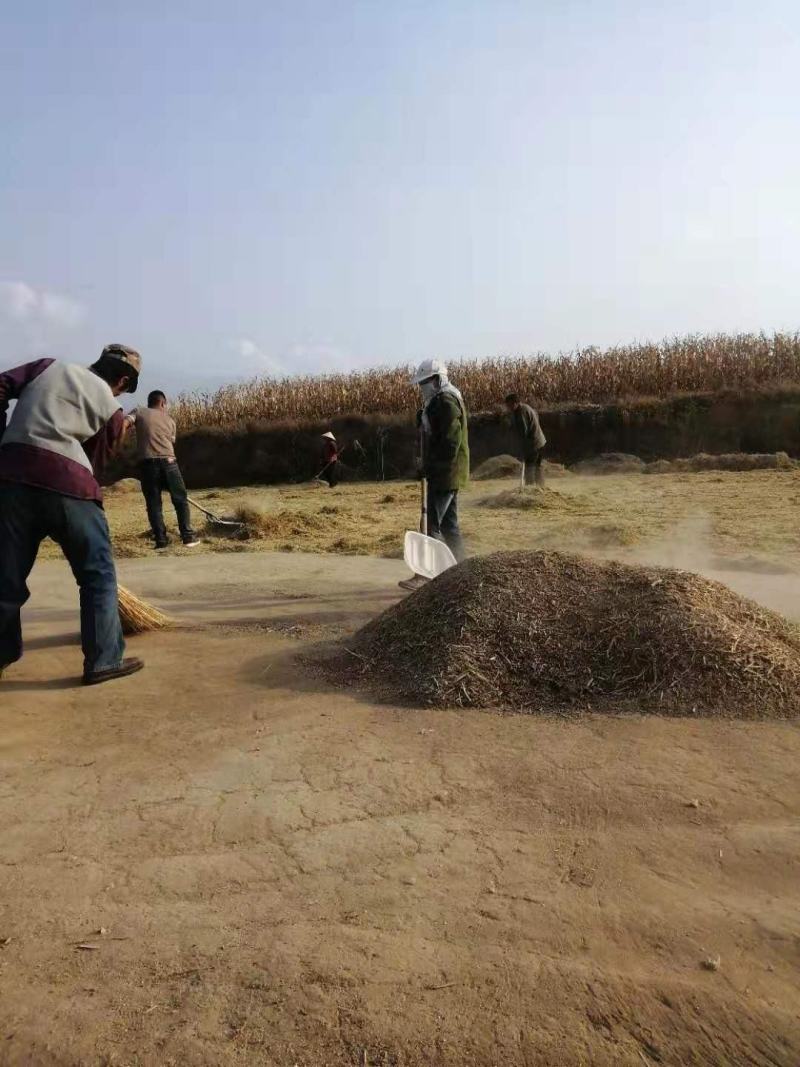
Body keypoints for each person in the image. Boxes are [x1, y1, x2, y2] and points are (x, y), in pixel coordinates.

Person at [0, 344, 145, 685]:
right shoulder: (112, 409)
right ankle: (104, 661)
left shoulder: (47, 367)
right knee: (97, 574)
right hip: (70, 483)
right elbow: (96, 464)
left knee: (5, 578)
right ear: (122, 381)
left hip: (10, 476)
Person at [411, 357, 469, 560]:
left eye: (424, 383)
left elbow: (450, 442)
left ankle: (428, 575)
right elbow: (435, 433)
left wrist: (431, 467)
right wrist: (424, 418)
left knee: (430, 525)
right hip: (446, 472)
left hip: (446, 473)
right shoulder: (437, 402)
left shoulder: (445, 401)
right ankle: (463, 571)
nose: (421, 388)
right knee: (449, 526)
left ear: (436, 379)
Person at [128, 391, 199, 549]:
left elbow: (125, 422)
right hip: (169, 463)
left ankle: (161, 540)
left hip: (148, 464)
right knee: (180, 500)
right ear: (162, 403)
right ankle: (188, 537)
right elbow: (170, 441)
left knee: (154, 504)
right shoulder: (170, 420)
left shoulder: (139, 411)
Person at [504, 392, 546, 486]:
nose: (508, 408)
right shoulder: (526, 407)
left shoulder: (520, 412)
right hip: (540, 441)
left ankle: (529, 490)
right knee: (537, 467)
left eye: (509, 405)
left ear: (515, 403)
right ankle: (541, 488)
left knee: (529, 468)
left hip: (533, 444)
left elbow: (523, 432)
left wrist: (523, 449)